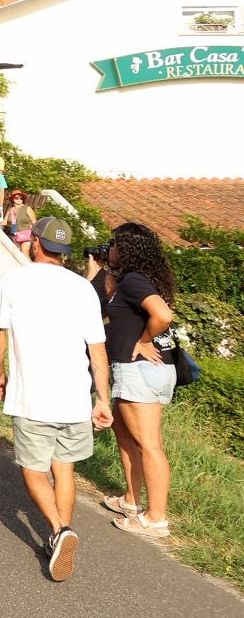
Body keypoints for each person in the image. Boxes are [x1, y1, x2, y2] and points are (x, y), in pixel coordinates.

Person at [0, 215, 112, 582]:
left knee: (33, 468)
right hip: (75, 397)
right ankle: (59, 537)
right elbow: (98, 351)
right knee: (64, 468)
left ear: (37, 244)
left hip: (33, 396)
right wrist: (103, 399)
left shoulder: (14, 279)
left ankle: (59, 530)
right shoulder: (83, 287)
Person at [103, 222, 177, 539]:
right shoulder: (140, 279)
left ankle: (156, 519)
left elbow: (163, 316)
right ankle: (132, 501)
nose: (110, 249)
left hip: (139, 370)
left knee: (149, 445)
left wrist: (143, 340)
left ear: (127, 249)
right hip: (144, 370)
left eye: (114, 244)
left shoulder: (135, 280)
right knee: (125, 435)